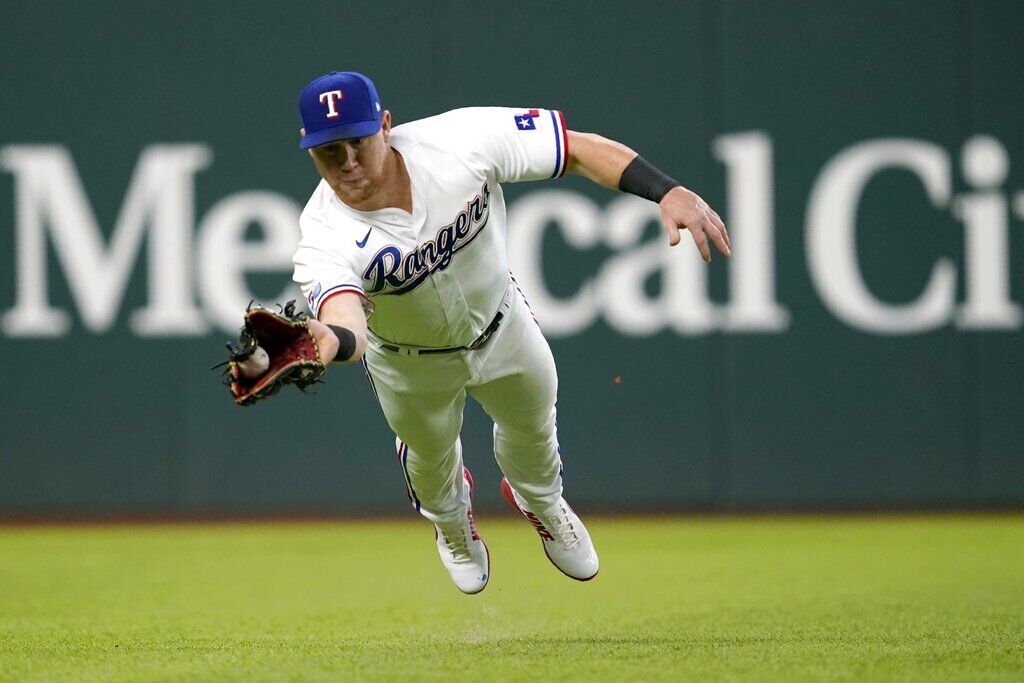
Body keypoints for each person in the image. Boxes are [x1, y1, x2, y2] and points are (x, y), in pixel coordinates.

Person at [291, 71, 730, 595]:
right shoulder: (322, 234)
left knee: (533, 427)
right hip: (408, 361)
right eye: (328, 152)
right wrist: (332, 342)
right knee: (431, 462)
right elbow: (347, 319)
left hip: (501, 324)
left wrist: (667, 190)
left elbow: (578, 150)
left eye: (357, 142)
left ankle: (541, 504)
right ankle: (453, 528)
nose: (348, 164)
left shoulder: (459, 141)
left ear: (386, 126)